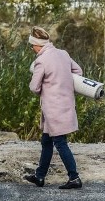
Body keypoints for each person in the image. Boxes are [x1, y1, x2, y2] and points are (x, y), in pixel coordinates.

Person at [23, 26, 85, 189]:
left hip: (53, 109)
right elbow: (78, 71)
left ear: (38, 45)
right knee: (46, 141)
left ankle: (74, 178)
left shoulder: (41, 60)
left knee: (60, 142)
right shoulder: (63, 54)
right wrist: (62, 82)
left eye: (32, 45)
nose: (32, 48)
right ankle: (40, 176)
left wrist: (49, 86)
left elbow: (34, 87)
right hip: (66, 105)